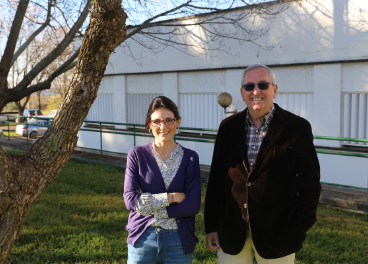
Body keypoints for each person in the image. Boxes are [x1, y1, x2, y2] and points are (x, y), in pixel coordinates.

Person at [204, 64, 321, 264]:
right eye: (249, 86)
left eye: (263, 85)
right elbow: (215, 180)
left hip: (279, 233)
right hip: (232, 231)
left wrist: (300, 226)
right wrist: (211, 225)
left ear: (274, 90)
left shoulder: (298, 128)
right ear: (242, 93)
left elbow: (310, 184)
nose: (256, 91)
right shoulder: (227, 128)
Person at [124, 96, 201, 264]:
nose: (163, 126)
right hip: (143, 238)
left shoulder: (190, 158)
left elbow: (193, 205)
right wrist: (171, 198)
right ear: (149, 124)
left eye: (168, 120)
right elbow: (130, 200)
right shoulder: (136, 155)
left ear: (178, 121)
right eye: (156, 121)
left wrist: (151, 209)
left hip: (178, 242)